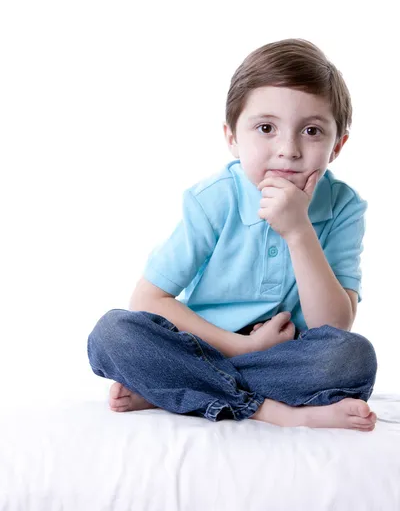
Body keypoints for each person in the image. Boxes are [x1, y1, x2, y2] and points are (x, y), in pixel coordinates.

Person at [87, 38, 378, 430]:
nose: (288, 149)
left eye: (311, 130)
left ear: (337, 145)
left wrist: (298, 231)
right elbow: (149, 299)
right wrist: (244, 346)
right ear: (232, 138)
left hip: (282, 360)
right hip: (202, 344)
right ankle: (269, 411)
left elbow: (334, 326)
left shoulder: (343, 206)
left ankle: (175, 387)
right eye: (266, 128)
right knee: (113, 335)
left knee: (353, 359)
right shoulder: (214, 200)